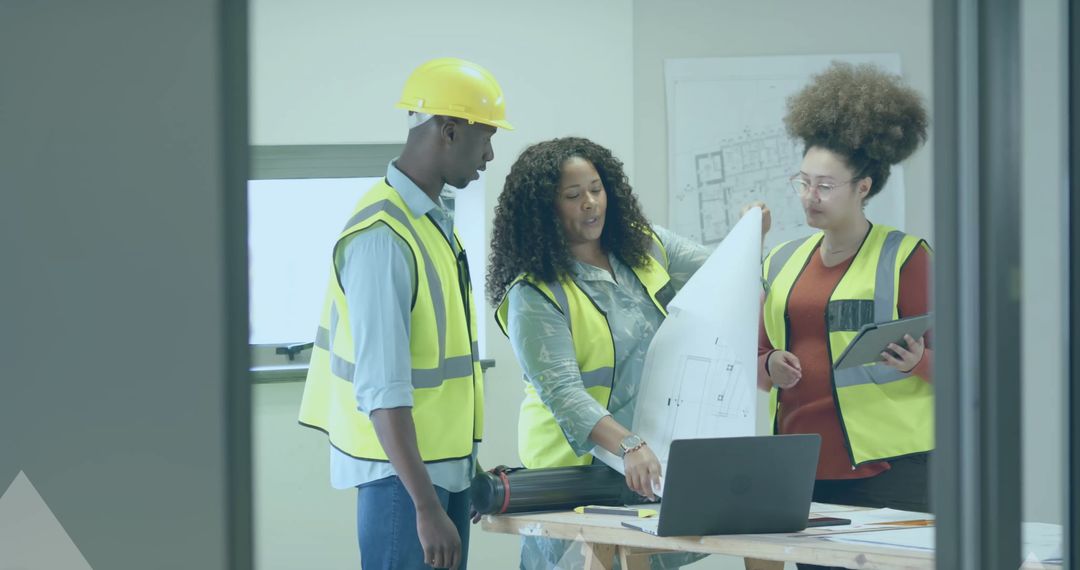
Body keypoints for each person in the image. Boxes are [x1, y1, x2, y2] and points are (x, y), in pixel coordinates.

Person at [488, 137, 768, 569]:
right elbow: (564, 393)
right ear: (545, 209)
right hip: (578, 478)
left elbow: (725, 277)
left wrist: (751, 235)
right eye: (572, 195)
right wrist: (628, 445)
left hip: (645, 467)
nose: (590, 203)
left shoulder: (644, 246)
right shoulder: (534, 294)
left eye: (596, 189)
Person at [298, 57, 512, 570]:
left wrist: (469, 469)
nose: (489, 153)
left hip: (441, 477)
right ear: (449, 130)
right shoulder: (383, 236)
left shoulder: (433, 224)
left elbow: (439, 371)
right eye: (484, 137)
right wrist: (424, 505)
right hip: (404, 487)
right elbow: (382, 387)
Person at [757, 62, 932, 570]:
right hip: (801, 471)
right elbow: (753, 354)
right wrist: (768, 365)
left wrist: (917, 361)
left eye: (826, 186)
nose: (811, 197)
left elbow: (968, 367)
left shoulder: (907, 257)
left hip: (892, 472)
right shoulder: (781, 259)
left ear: (863, 186)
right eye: (803, 182)